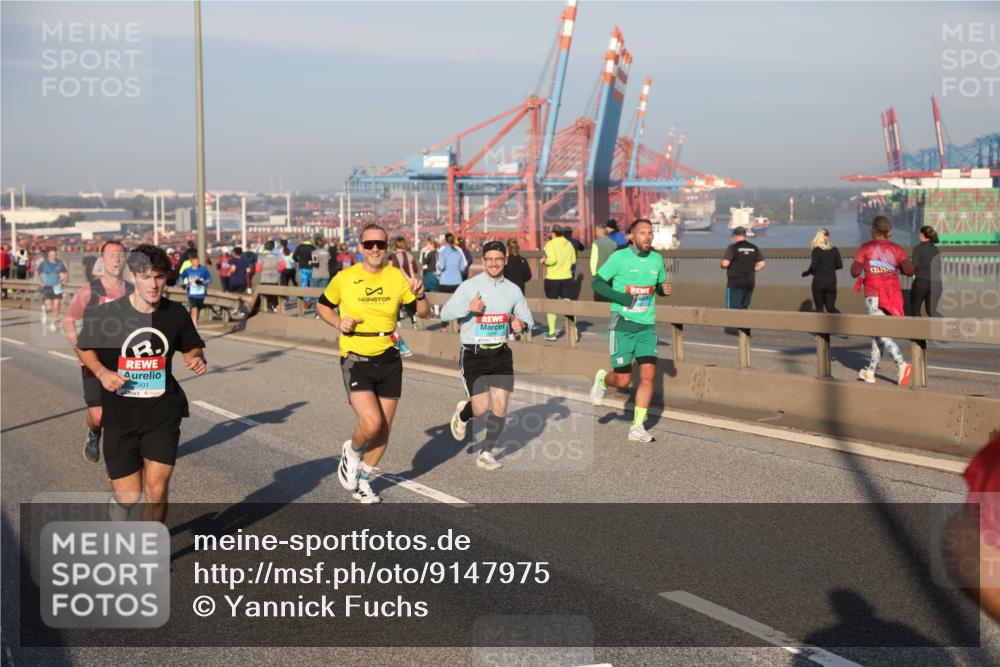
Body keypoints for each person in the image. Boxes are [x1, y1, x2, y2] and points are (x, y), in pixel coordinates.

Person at [76, 244, 207, 523]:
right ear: (133, 277)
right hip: (120, 417)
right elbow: (83, 347)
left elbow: (193, 348)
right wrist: (101, 373)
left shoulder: (175, 314)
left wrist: (196, 358)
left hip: (162, 412)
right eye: (146, 276)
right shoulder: (108, 314)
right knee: (129, 497)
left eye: (159, 276)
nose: (154, 284)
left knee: (156, 491)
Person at [317, 223, 430, 504]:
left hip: (390, 356)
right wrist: (337, 322)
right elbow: (322, 305)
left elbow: (424, 313)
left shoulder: (397, 276)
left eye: (380, 244)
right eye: (369, 245)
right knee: (372, 422)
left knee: (384, 427)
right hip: (356, 356)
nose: (375, 249)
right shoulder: (345, 277)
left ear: (387, 245)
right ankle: (352, 453)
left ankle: (364, 480)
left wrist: (420, 294)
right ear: (360, 247)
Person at [442, 241, 534, 470]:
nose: (494, 263)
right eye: (489, 259)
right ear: (483, 261)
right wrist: (469, 309)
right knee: (481, 407)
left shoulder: (513, 290)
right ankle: (463, 414)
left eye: (498, 259)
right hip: (474, 354)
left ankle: (486, 453)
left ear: (505, 260)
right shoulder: (468, 286)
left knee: (501, 405)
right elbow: (445, 313)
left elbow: (528, 320)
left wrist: (520, 324)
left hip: (500, 353)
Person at [588, 219, 671, 443]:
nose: (648, 237)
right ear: (631, 237)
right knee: (623, 381)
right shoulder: (619, 257)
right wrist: (622, 297)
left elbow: (658, 287)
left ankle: (637, 427)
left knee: (648, 376)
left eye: (650, 233)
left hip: (646, 325)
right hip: (622, 324)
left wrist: (663, 290)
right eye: (642, 233)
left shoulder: (657, 259)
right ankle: (604, 380)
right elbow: (597, 283)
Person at [63, 240, 131, 464]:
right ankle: (93, 433)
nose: (117, 259)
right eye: (111, 255)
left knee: (125, 416)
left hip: (125, 361)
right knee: (98, 416)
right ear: (102, 260)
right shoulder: (90, 290)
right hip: (95, 361)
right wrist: (79, 351)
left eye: (120, 255)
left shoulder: (133, 290)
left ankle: (123, 462)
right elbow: (69, 320)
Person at [852, 215, 914, 386]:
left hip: (874, 295)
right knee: (877, 333)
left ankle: (902, 364)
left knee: (881, 333)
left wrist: (865, 265)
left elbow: (854, 271)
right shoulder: (897, 249)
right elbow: (909, 271)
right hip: (893, 295)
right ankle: (870, 372)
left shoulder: (866, 248)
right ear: (889, 231)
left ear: (873, 230)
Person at [542, 226, 577, 341]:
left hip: (553, 277)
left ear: (553, 233)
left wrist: (544, 261)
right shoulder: (569, 244)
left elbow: (552, 260)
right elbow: (573, 261)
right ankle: (574, 332)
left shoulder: (550, 244)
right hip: (567, 276)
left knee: (551, 304)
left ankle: (552, 333)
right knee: (568, 304)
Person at [721, 227, 765, 309]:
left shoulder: (732, 247)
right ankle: (743, 322)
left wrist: (721, 265)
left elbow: (725, 264)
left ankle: (733, 322)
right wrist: (752, 270)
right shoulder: (754, 247)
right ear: (745, 236)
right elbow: (762, 264)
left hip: (735, 283)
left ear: (735, 236)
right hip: (749, 283)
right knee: (744, 308)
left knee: (732, 310)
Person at [801, 228, 843, 313]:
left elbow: (813, 266)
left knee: (819, 309)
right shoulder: (835, 250)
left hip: (818, 282)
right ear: (826, 238)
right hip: (831, 282)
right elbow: (840, 265)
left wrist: (806, 273)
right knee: (830, 308)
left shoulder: (816, 251)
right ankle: (840, 322)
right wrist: (829, 267)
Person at [35, 248, 69, 332]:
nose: (54, 256)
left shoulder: (60, 263)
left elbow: (65, 272)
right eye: (52, 254)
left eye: (55, 254)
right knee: (49, 307)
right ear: (49, 255)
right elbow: (36, 272)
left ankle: (52, 324)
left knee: (57, 305)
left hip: (57, 286)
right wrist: (40, 281)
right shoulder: (44, 263)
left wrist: (66, 280)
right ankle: (45, 311)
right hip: (47, 286)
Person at [910, 225, 940, 317]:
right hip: (935, 283)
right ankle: (942, 326)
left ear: (922, 235)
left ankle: (918, 330)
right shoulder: (936, 250)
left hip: (921, 282)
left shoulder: (918, 248)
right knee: (931, 311)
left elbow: (913, 266)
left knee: (916, 309)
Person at [179, 255, 212, 328]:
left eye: (198, 261)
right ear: (192, 262)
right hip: (191, 293)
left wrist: (203, 282)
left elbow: (209, 278)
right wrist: (182, 283)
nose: (197, 262)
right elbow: (181, 276)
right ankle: (195, 327)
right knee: (194, 309)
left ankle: (194, 323)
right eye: (196, 261)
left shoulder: (203, 269)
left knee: (198, 310)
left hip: (200, 293)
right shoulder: (187, 270)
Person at [590, 222, 618, 303]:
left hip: (600, 275)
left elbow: (593, 260)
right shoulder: (614, 244)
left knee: (599, 298)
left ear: (600, 231)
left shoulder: (596, 243)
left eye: (596, 231)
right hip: (611, 275)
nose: (595, 233)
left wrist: (594, 274)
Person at [259, 240, 284, 312]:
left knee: (265, 295)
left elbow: (258, 269)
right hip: (275, 278)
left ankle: (267, 308)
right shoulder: (277, 256)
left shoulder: (261, 257)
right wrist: (278, 271)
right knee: (274, 295)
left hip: (264, 278)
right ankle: (275, 307)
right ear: (272, 248)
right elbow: (283, 265)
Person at [293, 237, 316, 302]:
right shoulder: (313, 248)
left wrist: (298, 261)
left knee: (304, 283)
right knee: (311, 283)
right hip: (311, 267)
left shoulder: (300, 247)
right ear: (310, 240)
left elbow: (294, 256)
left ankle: (306, 299)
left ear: (303, 240)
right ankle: (312, 298)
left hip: (302, 267)